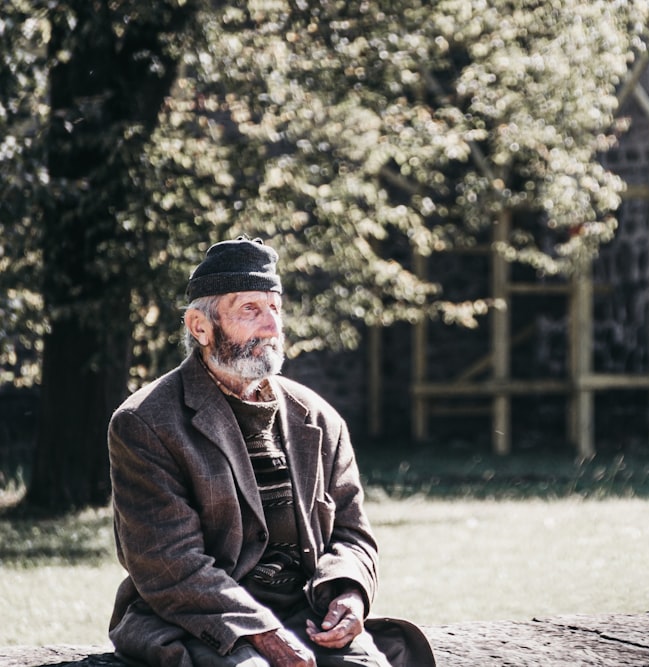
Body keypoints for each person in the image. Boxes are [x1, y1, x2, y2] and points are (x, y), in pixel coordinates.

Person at [107, 237, 434, 667]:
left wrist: (349, 594)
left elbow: (352, 534)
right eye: (250, 310)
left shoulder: (317, 416)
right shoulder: (145, 422)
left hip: (305, 613)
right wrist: (263, 632)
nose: (271, 327)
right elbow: (170, 564)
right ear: (200, 327)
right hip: (199, 620)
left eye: (275, 309)